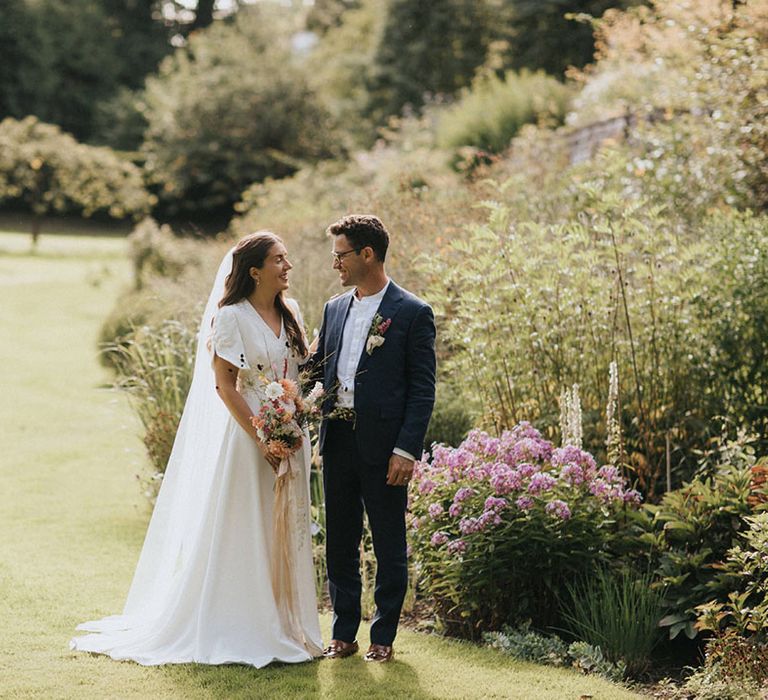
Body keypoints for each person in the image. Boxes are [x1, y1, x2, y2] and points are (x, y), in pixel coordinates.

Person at [69, 232, 323, 666]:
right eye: (279, 260)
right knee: (247, 524)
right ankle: (241, 622)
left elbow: (296, 370)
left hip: (288, 433)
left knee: (284, 527)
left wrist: (295, 415)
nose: (288, 266)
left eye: (287, 258)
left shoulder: (292, 311)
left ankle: (287, 625)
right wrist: (263, 436)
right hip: (249, 438)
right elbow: (225, 387)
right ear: (255, 270)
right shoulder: (231, 317)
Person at [311, 214, 436, 663]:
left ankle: (383, 637)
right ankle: (343, 634)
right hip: (338, 440)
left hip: (385, 449)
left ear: (367, 254)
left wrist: (406, 449)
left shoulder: (412, 312)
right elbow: (316, 370)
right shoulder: (333, 308)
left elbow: (422, 390)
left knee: (387, 542)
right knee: (340, 540)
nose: (334, 265)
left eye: (340, 255)